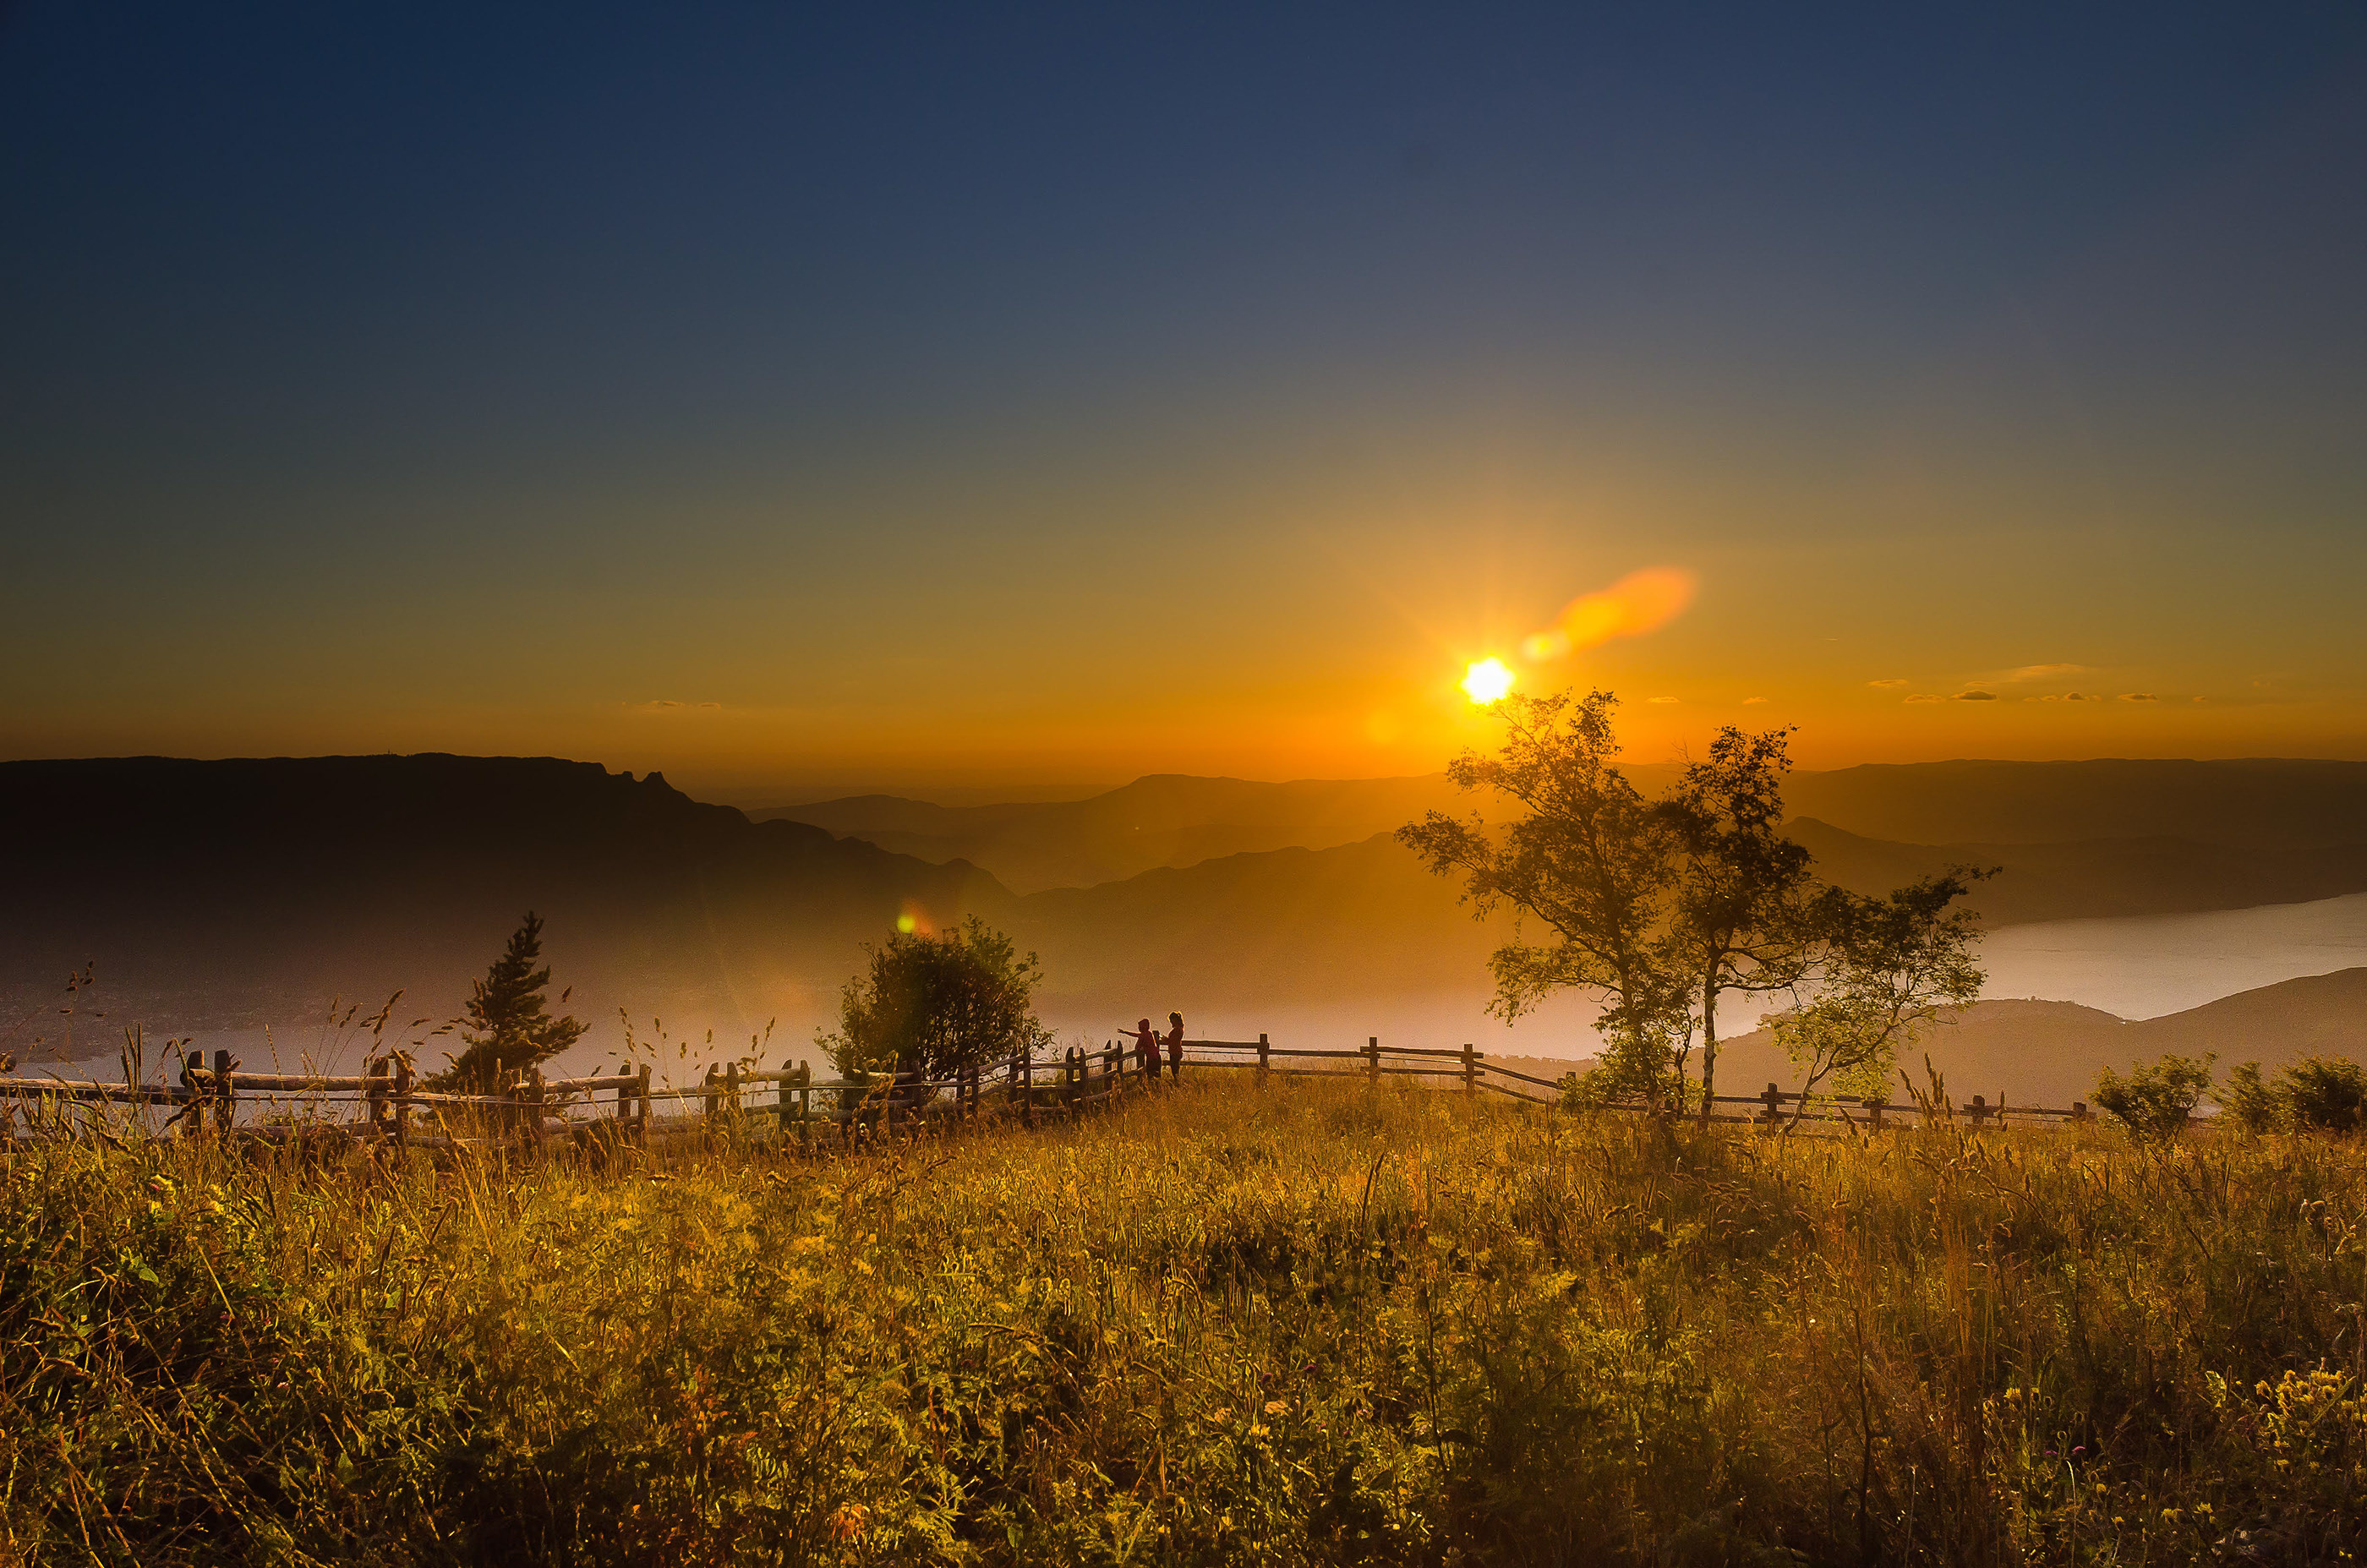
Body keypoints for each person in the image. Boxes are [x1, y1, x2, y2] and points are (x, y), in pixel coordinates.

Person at [1126, 1018, 1159, 1084]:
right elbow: (1136, 1035)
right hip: (1157, 1057)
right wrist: (1125, 1032)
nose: (1138, 1028)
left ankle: (1148, 1087)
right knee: (1156, 1075)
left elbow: (1137, 1046)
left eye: (1139, 1026)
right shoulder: (1149, 1033)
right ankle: (1157, 1089)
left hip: (1151, 1058)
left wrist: (1138, 1049)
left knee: (1150, 1075)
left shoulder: (1143, 1035)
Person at [1164, 1012, 1185, 1080]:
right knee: (1175, 1071)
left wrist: (1166, 1040)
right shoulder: (1179, 1029)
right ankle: (1177, 1083)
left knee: (1175, 1071)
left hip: (1175, 1052)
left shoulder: (1177, 1030)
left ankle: (1178, 1083)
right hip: (1175, 1051)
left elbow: (1173, 1041)